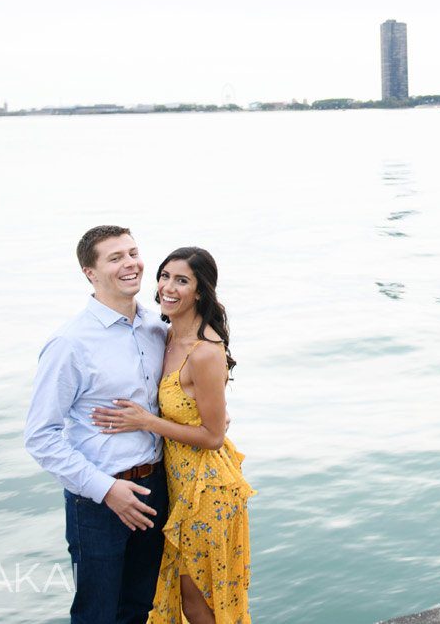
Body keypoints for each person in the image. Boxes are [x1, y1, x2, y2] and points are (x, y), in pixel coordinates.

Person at [92, 247, 253, 624]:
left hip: (205, 490)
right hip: (175, 487)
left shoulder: (204, 351)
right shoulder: (163, 335)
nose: (168, 287)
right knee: (179, 596)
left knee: (197, 601)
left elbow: (213, 436)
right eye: (164, 276)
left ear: (200, 291)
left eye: (182, 280)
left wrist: (146, 422)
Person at [25, 225, 170, 624]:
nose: (131, 264)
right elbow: (41, 438)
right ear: (90, 273)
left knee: (140, 609)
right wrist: (106, 490)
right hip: (98, 500)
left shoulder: (158, 329)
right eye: (115, 257)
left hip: (156, 488)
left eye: (133, 252)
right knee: (97, 615)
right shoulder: (70, 344)